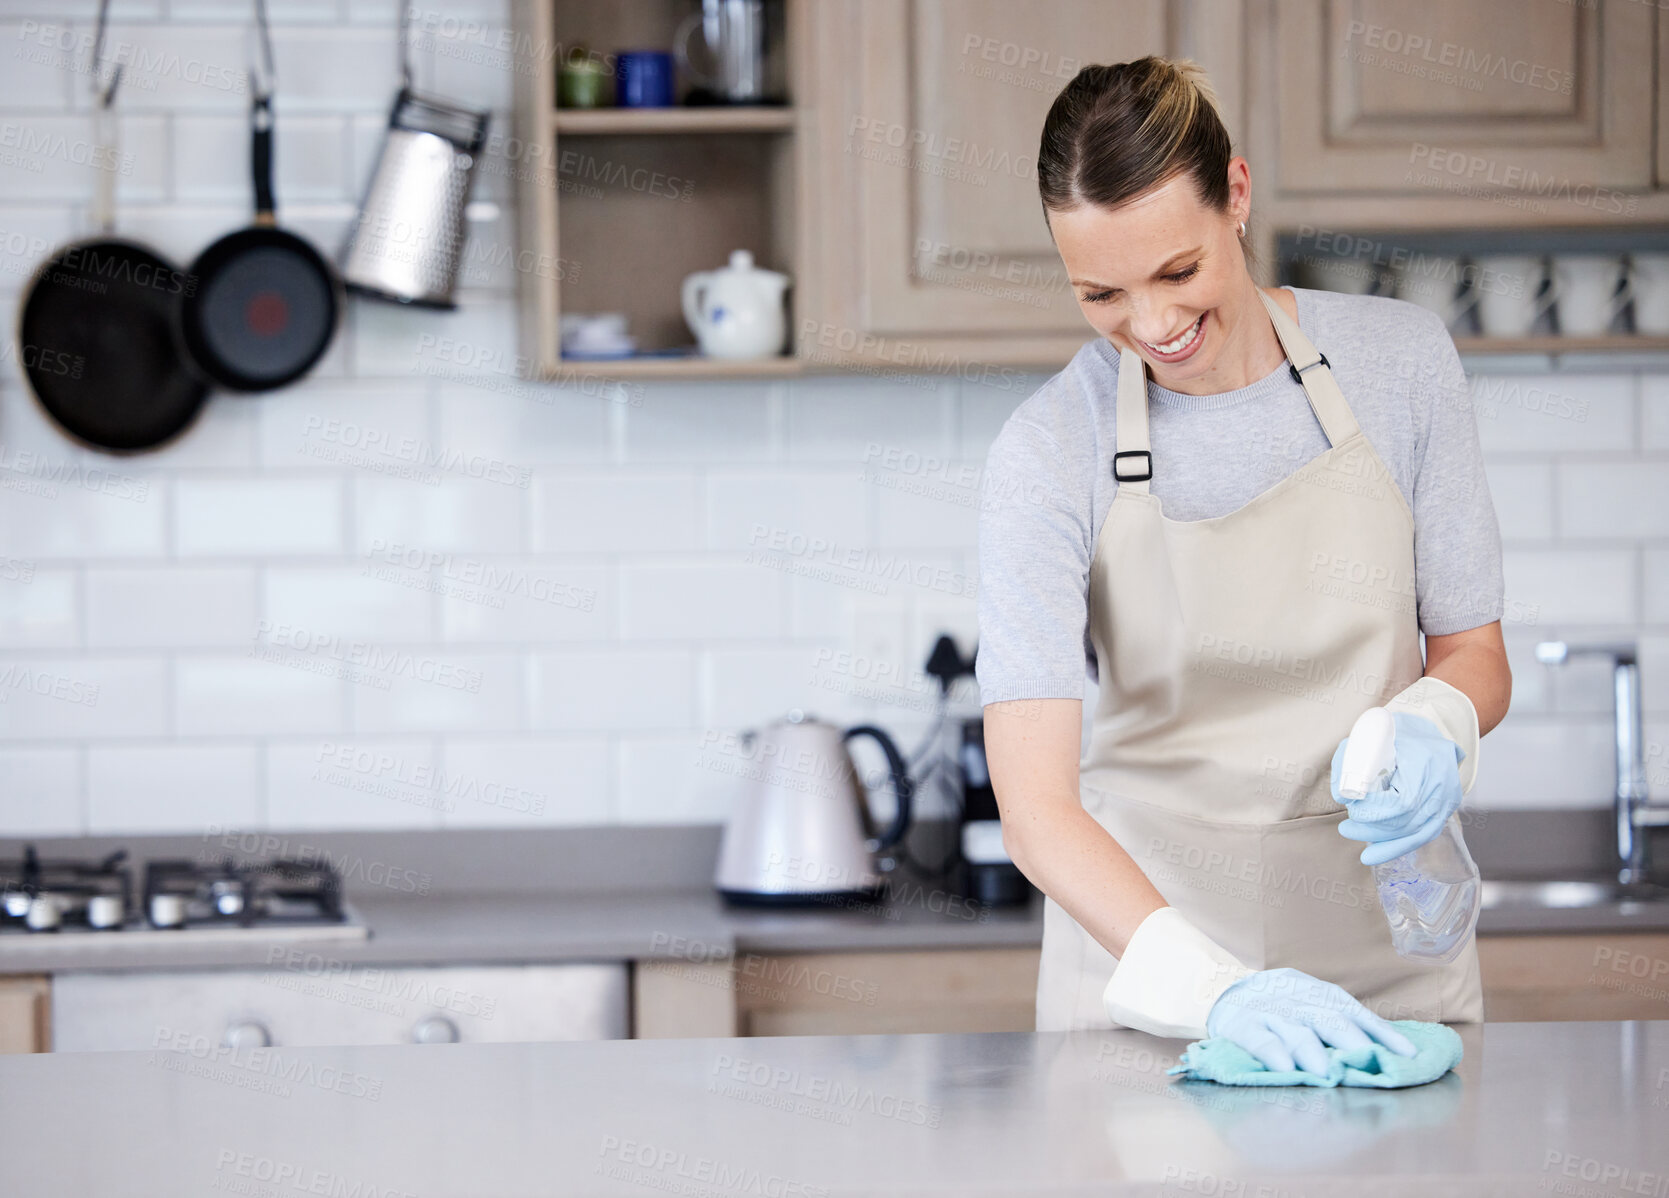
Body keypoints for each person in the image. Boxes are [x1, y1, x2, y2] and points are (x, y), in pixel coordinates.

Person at [975, 56, 1511, 1075]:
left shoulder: (1400, 365)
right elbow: (1036, 808)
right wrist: (1215, 991)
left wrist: (1435, 723)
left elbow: (1474, 652)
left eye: (1177, 272)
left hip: (1386, 969)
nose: (1151, 326)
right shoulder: (1049, 447)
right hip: (1153, 979)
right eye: (1099, 293)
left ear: (1238, 196)